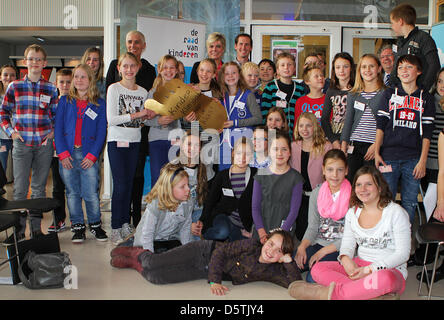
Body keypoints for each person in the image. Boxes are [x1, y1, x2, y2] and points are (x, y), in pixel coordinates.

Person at [289, 165, 411, 300]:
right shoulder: (352, 213)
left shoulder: (396, 212)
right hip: (359, 266)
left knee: (384, 279)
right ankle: (370, 294)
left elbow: (403, 254)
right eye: (358, 185)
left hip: (389, 271)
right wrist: (345, 259)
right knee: (318, 269)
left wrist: (370, 270)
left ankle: (324, 294)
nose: (363, 189)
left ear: (380, 187)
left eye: (369, 184)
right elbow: (347, 245)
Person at [110, 228, 302, 294]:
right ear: (265, 240)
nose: (271, 251)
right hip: (203, 251)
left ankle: (134, 264)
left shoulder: (272, 271)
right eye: (271, 244)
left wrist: (288, 262)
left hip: (202, 270)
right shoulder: (251, 245)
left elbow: (293, 283)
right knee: (153, 263)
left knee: (155, 277)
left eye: (278, 252)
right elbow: (220, 253)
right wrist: (215, 281)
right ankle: (140, 253)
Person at [0, 44, 58, 239]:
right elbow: (3, 112)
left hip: (43, 145)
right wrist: (10, 132)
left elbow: (56, 115)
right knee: (20, 189)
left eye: (38, 59)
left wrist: (52, 132)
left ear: (44, 63)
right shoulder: (14, 86)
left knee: (39, 189)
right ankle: (18, 230)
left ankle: (35, 229)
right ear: (25, 62)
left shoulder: (51, 88)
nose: (35, 62)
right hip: (22, 144)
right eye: (31, 59)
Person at [375, 54, 435, 224]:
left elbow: (427, 133)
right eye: (400, 67)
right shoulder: (388, 94)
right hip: (389, 157)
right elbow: (380, 125)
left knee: (410, 202)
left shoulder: (426, 98)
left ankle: (405, 241)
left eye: (409, 67)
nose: (404, 71)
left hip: (413, 159)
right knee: (387, 201)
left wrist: (422, 161)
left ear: (419, 71)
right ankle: (387, 241)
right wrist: (378, 151)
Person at [106, 52, 155, 245]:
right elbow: (112, 119)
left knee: (130, 184)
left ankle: (125, 222)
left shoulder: (143, 92)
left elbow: (140, 121)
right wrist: (137, 114)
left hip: (134, 142)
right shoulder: (113, 89)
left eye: (132, 66)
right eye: (124, 66)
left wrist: (145, 118)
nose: (128, 70)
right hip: (117, 142)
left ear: (138, 67)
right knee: (120, 185)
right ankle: (115, 226)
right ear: (119, 68)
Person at [55, 64, 108, 243]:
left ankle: (95, 224)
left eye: (83, 77)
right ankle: (77, 226)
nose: (78, 80)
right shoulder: (64, 101)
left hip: (88, 156)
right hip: (68, 154)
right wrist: (62, 153)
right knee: (72, 193)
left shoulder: (100, 103)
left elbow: (102, 132)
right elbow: (58, 129)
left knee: (91, 193)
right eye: (76, 77)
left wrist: (93, 155)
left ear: (90, 80)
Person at [295, 149, 350, 283]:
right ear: (323, 170)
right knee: (291, 264)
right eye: (330, 169)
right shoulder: (316, 193)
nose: (335, 175)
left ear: (346, 170)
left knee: (312, 278)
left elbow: (350, 236)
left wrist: (323, 252)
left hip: (339, 247)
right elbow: (313, 226)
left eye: (340, 170)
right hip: (317, 242)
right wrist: (302, 247)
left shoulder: (353, 197)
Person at [197, 137, 257, 241]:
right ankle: (206, 236)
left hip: (244, 223)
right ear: (233, 153)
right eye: (239, 153)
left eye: (246, 154)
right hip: (224, 217)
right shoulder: (222, 175)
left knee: (240, 249)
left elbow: (260, 203)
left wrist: (254, 228)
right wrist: (203, 222)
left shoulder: (256, 174)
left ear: (251, 155)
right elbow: (211, 200)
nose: (242, 157)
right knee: (222, 232)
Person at [340, 53, 385, 182]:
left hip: (373, 147)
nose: (367, 70)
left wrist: (377, 145)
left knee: (372, 184)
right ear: (359, 70)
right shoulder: (353, 94)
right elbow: (348, 122)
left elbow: (387, 124)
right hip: (354, 147)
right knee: (352, 184)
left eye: (371, 66)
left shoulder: (385, 94)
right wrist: (343, 149)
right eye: (364, 67)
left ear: (379, 69)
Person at [252, 131, 304, 242]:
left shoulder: (296, 178)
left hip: (284, 231)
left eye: (284, 149)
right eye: (275, 149)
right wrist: (261, 232)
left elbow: (293, 212)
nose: (280, 153)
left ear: (290, 152)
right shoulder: (260, 175)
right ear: (269, 152)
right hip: (262, 229)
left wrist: (279, 235)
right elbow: (255, 208)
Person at [130, 163, 193, 253]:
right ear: (169, 188)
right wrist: (149, 258)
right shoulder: (156, 204)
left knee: (179, 254)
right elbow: (147, 234)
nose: (188, 189)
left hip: (169, 240)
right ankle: (129, 248)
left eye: (187, 185)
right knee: (157, 258)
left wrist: (187, 252)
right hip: (148, 241)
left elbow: (185, 230)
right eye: (182, 187)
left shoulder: (187, 203)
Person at [290, 112, 332, 240]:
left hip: (319, 196)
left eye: (308, 125)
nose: (304, 129)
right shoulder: (293, 146)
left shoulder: (326, 147)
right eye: (301, 125)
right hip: (300, 196)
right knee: (302, 233)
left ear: (315, 127)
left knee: (318, 233)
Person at [145, 54, 182, 186]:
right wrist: (158, 121)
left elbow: (187, 118)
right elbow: (145, 119)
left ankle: (174, 207)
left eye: (172, 67)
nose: (168, 71)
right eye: (165, 67)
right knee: (158, 178)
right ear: (159, 70)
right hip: (156, 140)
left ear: (177, 70)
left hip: (176, 140)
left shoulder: (182, 93)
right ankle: (157, 207)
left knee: (175, 179)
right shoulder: (152, 93)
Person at [171, 130, 215, 241]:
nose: (193, 148)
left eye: (197, 145)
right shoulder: (172, 168)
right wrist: (186, 224)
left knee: (198, 234)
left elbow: (209, 198)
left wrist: (203, 220)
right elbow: (167, 204)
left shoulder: (206, 167)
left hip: (197, 211)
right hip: (176, 213)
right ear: (182, 145)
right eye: (189, 144)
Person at [218, 61, 262, 171]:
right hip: (225, 141)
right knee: (225, 174)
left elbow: (258, 118)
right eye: (227, 74)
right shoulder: (221, 96)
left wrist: (235, 123)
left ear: (239, 74)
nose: (230, 76)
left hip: (243, 141)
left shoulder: (247, 94)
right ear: (223, 76)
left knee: (243, 173)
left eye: (234, 72)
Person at [389, 3, 440, 92]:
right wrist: (391, 87)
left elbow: (434, 66)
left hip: (418, 96)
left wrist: (422, 89)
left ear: (400, 21)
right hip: (400, 94)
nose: (392, 27)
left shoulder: (424, 38)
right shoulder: (400, 42)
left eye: (392, 23)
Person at [48, 68, 72, 233]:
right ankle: (59, 219)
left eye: (68, 82)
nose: (64, 85)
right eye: (61, 82)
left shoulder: (75, 103)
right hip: (55, 152)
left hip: (72, 152)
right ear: (56, 84)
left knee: (74, 187)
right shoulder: (51, 103)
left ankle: (78, 219)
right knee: (57, 188)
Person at [261, 52, 305, 137]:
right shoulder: (270, 88)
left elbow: (302, 114)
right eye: (282, 65)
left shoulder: (300, 89)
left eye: (289, 64)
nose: (286, 67)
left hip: (295, 135)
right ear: (277, 70)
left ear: (294, 68)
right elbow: (265, 113)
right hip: (274, 135)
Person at [321, 52, 355, 149]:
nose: (341, 70)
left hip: (352, 139)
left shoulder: (357, 91)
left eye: (345, 66)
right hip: (335, 138)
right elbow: (324, 119)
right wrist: (333, 140)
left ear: (351, 68)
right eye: (338, 67)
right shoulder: (331, 91)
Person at [0, 64, 17, 177]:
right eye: (5, 75)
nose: (9, 78)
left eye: (12, 75)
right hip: (2, 138)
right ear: (0, 77)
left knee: (19, 169)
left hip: (18, 137)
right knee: (2, 167)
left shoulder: (19, 95)